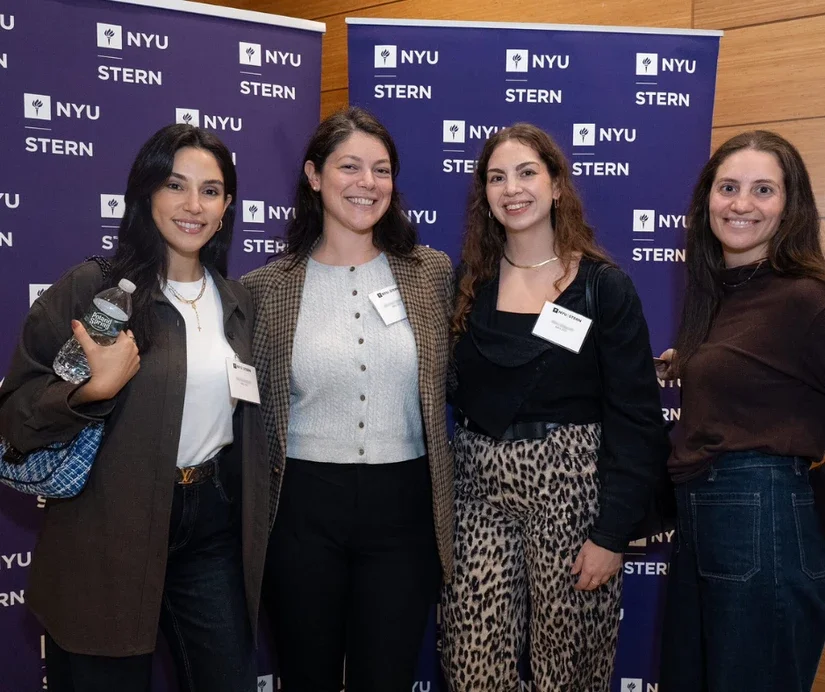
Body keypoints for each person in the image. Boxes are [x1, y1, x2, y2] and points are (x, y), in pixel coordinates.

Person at [0, 124, 270, 692]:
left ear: (226, 208)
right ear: (147, 193)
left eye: (212, 190)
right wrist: (87, 393)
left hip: (211, 524)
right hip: (109, 525)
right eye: (176, 185)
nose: (194, 205)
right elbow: (15, 415)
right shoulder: (93, 290)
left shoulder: (238, 301)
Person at [441, 123, 669, 691]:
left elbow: (636, 419)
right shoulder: (468, 283)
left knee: (565, 668)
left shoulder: (603, 287)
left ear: (556, 186)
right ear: (485, 195)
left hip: (572, 494)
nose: (511, 189)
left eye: (526, 173)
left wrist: (612, 534)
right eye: (497, 177)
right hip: (478, 490)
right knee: (472, 662)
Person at [241, 106, 454, 692]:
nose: (367, 183)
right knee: (306, 676)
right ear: (314, 175)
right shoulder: (267, 287)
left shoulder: (430, 273)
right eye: (350, 166)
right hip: (302, 509)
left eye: (381, 170)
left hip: (404, 509)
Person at [657, 130, 825, 692]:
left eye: (763, 190)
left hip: (767, 517)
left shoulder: (807, 295)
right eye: (728, 187)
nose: (742, 204)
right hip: (703, 518)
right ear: (707, 199)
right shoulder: (716, 295)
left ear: (790, 205)